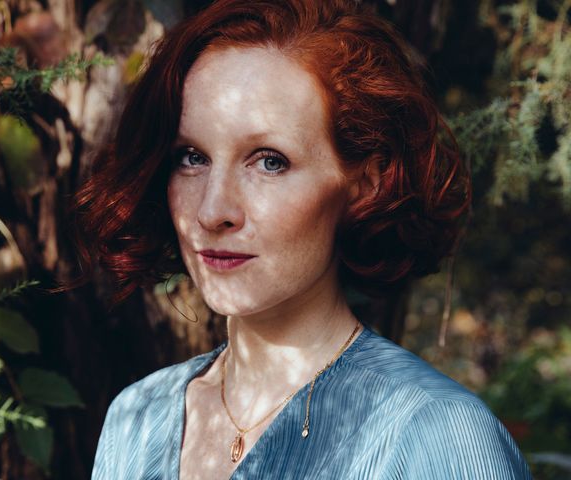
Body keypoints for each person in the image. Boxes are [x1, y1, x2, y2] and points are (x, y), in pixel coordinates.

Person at [74, 0, 533, 478]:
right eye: (192, 157)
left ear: (365, 182)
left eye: (270, 161)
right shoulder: (137, 419)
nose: (212, 211)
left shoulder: (436, 434)